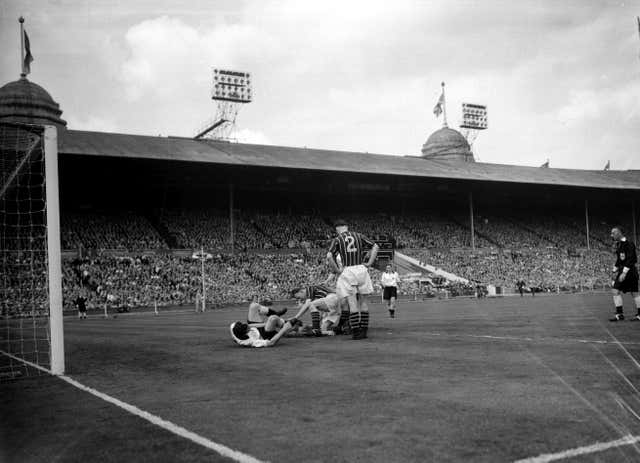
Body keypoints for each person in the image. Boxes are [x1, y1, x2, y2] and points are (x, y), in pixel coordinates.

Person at [327, 219, 379, 340]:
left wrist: (337, 270)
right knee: (364, 302)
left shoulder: (338, 239)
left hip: (349, 270)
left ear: (337, 229)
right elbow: (375, 246)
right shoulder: (359, 235)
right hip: (361, 269)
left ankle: (356, 332)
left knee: (352, 303)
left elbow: (329, 256)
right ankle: (364, 332)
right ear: (347, 226)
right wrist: (370, 263)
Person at [609, 226, 640, 321]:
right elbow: (619, 260)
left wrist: (624, 273)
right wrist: (614, 271)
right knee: (615, 291)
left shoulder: (629, 244)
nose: (611, 235)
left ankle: (638, 314)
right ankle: (619, 314)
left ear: (619, 233)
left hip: (630, 272)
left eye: (613, 233)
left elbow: (632, 259)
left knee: (634, 293)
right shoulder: (619, 245)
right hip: (622, 271)